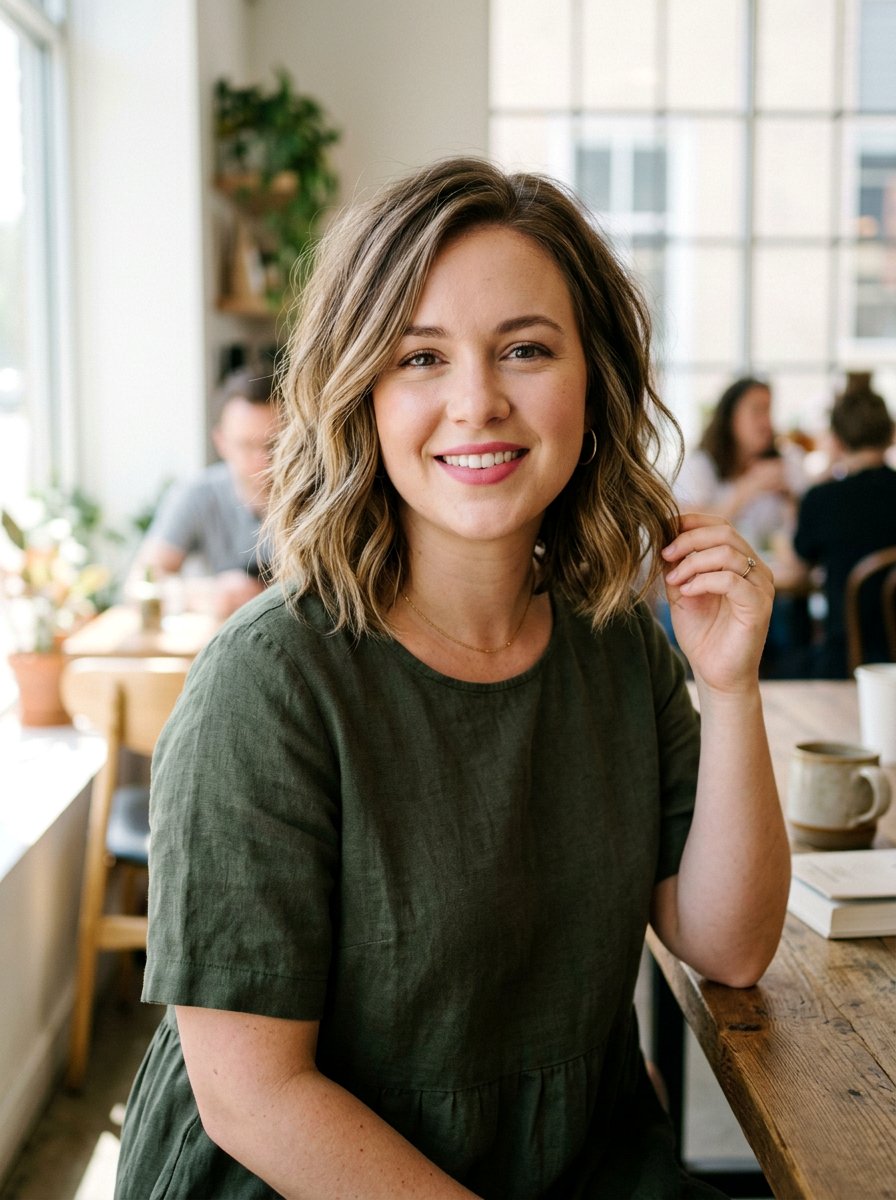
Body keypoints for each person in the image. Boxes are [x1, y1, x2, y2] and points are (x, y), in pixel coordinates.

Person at [115, 158, 789, 1199]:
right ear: (362, 392)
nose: (476, 402)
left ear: (590, 380)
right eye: (419, 356)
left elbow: (729, 948)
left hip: (576, 1164)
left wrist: (731, 687)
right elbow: (253, 1097)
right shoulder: (268, 685)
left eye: (524, 348)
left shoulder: (616, 643)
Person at [135, 365, 280, 618]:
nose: (262, 461)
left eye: (274, 444)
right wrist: (208, 594)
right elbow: (140, 582)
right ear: (221, 442)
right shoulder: (197, 493)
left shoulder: (320, 495)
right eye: (246, 445)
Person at [793, 379, 896, 678]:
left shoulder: (822, 499)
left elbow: (800, 562)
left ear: (836, 441)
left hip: (845, 658)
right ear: (890, 434)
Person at [674, 376, 805, 558]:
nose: (766, 422)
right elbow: (688, 527)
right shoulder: (698, 466)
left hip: (779, 573)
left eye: (768, 411)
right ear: (730, 418)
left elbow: (804, 533)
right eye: (757, 411)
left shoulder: (788, 461)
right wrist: (749, 487)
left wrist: (789, 496)